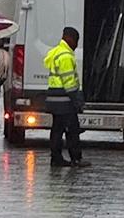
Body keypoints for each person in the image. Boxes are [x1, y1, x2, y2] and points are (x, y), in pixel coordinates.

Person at [44, 26, 90, 168]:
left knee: (57, 130)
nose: (76, 45)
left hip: (54, 98)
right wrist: (77, 101)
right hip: (64, 100)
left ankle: (56, 158)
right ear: (69, 38)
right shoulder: (65, 56)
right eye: (76, 41)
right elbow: (69, 83)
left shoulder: (56, 52)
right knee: (72, 130)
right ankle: (76, 158)